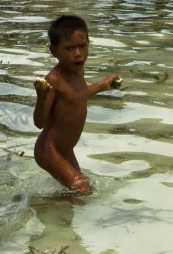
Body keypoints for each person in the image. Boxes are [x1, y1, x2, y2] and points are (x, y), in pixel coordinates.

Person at [32, 14, 120, 195]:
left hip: (65, 149)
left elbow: (78, 95)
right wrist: (41, 97)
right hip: (50, 149)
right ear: (54, 51)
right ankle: (38, 205)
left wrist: (103, 86)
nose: (78, 53)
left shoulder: (78, 70)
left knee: (82, 190)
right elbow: (39, 122)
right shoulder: (54, 80)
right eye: (69, 48)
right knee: (82, 188)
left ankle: (57, 212)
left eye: (83, 46)